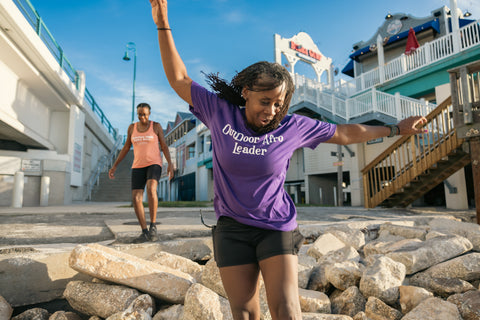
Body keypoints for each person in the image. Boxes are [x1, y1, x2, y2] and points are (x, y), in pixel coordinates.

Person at [149, 1, 428, 318]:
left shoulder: (292, 126)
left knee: (286, 308)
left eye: (278, 103)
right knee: (244, 311)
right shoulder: (219, 112)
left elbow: (345, 133)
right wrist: (162, 22)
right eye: (264, 101)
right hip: (232, 230)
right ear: (245, 93)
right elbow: (179, 78)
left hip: (275, 226)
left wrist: (393, 128)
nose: (270, 111)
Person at [109, 102, 174, 243]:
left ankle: (153, 226)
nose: (142, 117)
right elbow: (126, 147)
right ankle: (144, 231)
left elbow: (164, 146)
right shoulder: (132, 128)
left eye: (144, 114)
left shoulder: (155, 126)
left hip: (154, 163)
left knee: (151, 189)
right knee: (136, 198)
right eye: (139, 114)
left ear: (149, 114)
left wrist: (170, 163)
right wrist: (114, 166)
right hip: (138, 165)